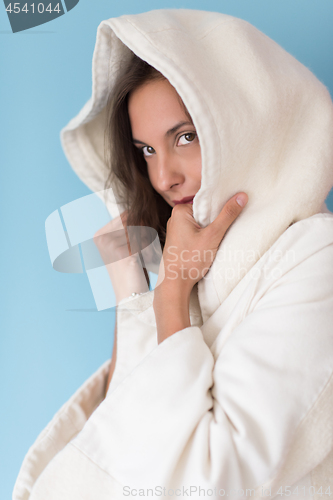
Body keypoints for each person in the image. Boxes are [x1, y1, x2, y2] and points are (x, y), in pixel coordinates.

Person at [13, 9, 333, 500]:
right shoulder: (179, 259)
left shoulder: (317, 259)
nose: (164, 177)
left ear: (246, 120)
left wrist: (169, 297)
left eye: (186, 137)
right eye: (146, 151)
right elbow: (127, 437)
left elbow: (198, 482)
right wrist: (133, 295)